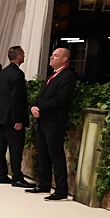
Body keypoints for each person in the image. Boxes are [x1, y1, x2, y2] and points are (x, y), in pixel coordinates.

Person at [27, 48, 76, 201]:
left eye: (55, 55)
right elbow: (42, 95)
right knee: (43, 153)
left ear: (64, 59)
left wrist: (41, 109)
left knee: (56, 155)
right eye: (52, 55)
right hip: (42, 121)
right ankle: (44, 183)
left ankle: (61, 189)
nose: (51, 57)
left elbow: (61, 98)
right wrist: (34, 106)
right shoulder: (52, 75)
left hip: (54, 122)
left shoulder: (68, 76)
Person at [0, 46, 35, 188]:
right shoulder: (17, 74)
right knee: (15, 148)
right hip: (11, 118)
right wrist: (18, 119)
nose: (24, 56)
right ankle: (17, 177)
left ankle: (1, 174)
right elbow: (16, 99)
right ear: (18, 56)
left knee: (0, 147)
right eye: (22, 54)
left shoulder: (3, 73)